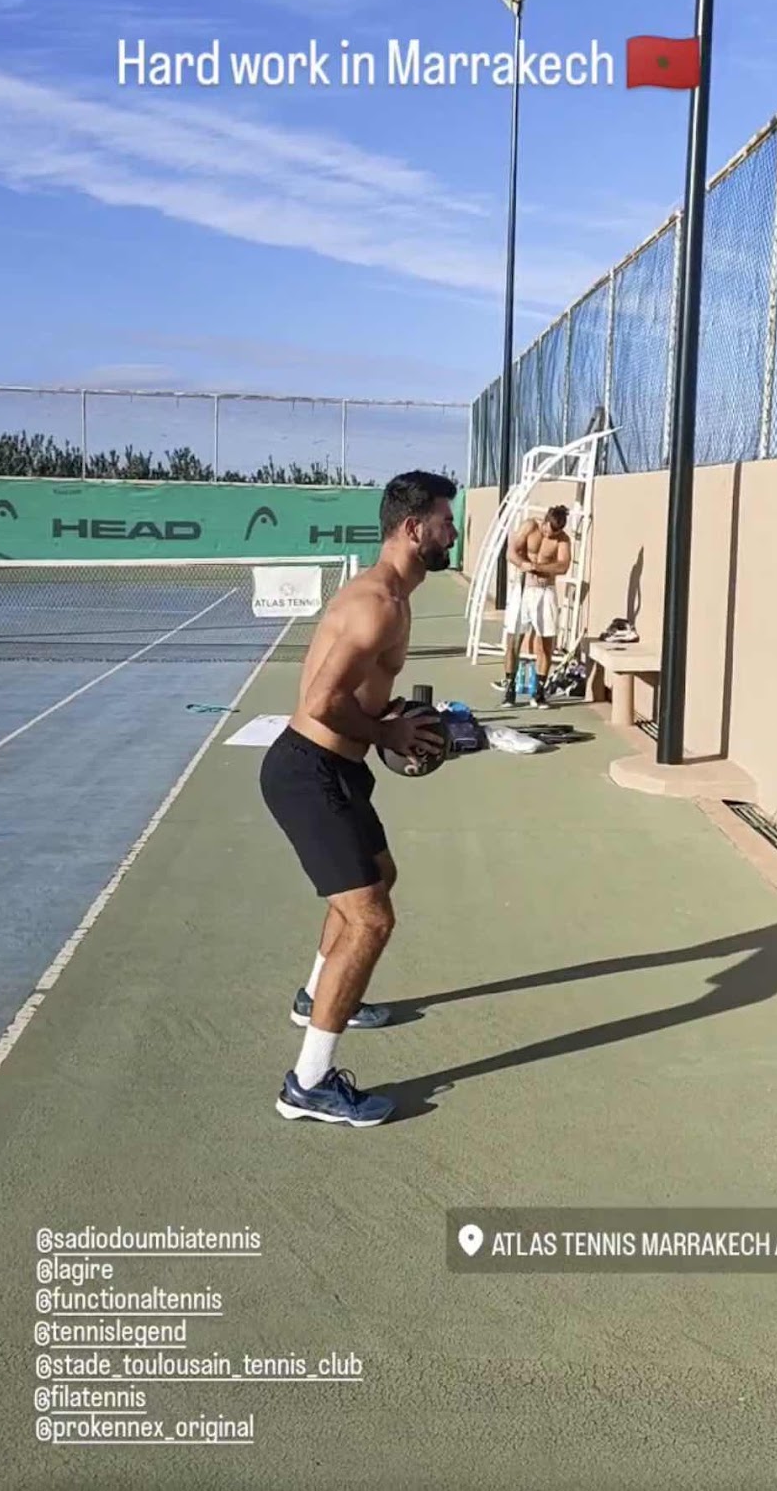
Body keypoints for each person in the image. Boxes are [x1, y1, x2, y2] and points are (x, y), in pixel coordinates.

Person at [259, 470, 458, 1128]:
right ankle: (308, 1084)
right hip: (307, 773)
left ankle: (315, 994)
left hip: (339, 770)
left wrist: (399, 720)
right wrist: (388, 733)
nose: (453, 531)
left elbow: (359, 695)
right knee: (371, 920)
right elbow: (321, 702)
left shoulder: (395, 598)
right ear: (414, 528)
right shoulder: (377, 604)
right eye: (445, 521)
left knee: (378, 877)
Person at [500, 505, 571, 707]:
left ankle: (539, 692)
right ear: (545, 521)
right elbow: (511, 552)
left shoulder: (562, 540)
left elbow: (563, 565)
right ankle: (510, 688)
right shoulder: (530, 526)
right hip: (523, 589)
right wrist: (523, 564)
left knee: (545, 643)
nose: (550, 535)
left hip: (545, 590)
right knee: (514, 639)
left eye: (555, 532)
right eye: (549, 530)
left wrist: (538, 568)